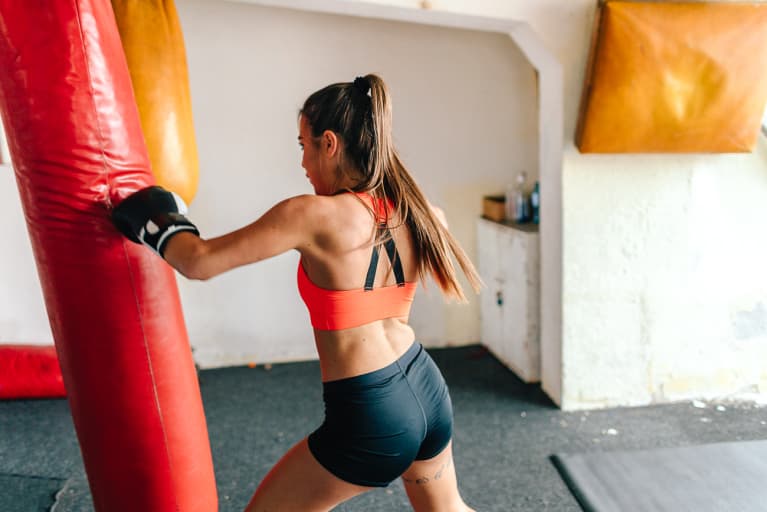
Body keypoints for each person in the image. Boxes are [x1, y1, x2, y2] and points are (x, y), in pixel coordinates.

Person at [112, 74, 481, 512]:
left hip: (371, 415)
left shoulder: (313, 215)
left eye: (303, 145)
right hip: (426, 388)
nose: (303, 163)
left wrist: (154, 216)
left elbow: (198, 261)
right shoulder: (423, 213)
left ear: (330, 143)